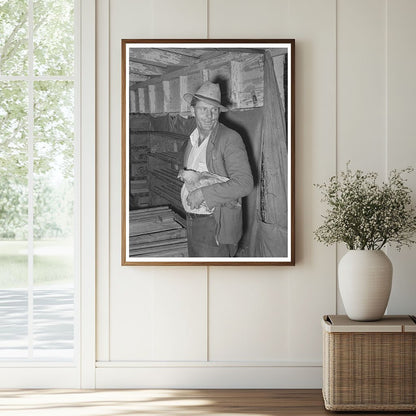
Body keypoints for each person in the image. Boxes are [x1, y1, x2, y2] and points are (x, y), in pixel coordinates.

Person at [181, 81, 253, 257]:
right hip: (192, 222)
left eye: (214, 110)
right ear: (192, 111)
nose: (209, 115)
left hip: (215, 226)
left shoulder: (229, 138)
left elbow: (245, 184)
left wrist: (203, 194)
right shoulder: (190, 141)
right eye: (203, 109)